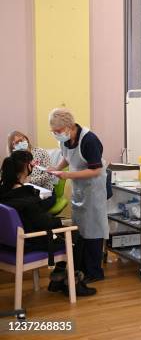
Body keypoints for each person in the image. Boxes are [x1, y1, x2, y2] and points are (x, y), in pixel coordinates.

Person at [0, 150, 96, 296]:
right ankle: (72, 283)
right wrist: (58, 222)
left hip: (8, 244)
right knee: (76, 235)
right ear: (27, 167)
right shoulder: (27, 197)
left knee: (67, 231)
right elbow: (45, 223)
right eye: (32, 163)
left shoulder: (4, 191)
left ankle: (57, 280)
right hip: (29, 241)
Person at [47, 108, 109, 284]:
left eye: (58, 132)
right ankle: (80, 268)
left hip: (93, 189)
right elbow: (67, 157)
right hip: (80, 188)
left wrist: (67, 175)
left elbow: (95, 169)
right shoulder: (65, 141)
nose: (56, 135)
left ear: (68, 127)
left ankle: (94, 272)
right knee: (79, 228)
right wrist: (57, 169)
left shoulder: (89, 140)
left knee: (93, 229)